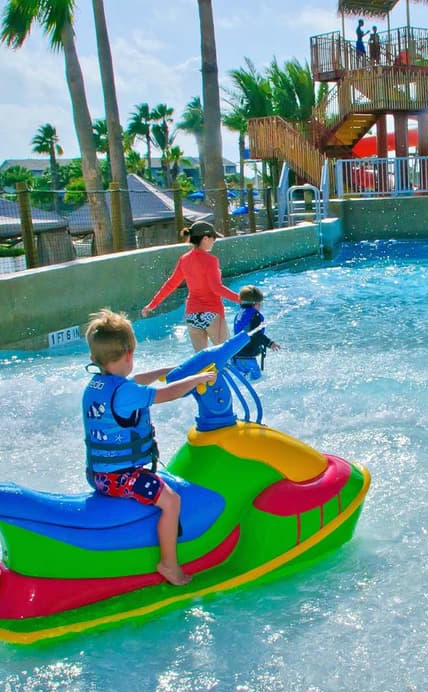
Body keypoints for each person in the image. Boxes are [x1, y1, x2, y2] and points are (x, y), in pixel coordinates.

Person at [82, 308, 217, 586]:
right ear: (130, 353)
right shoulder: (125, 393)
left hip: (98, 474)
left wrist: (166, 371)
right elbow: (167, 393)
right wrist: (199, 379)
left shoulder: (98, 384)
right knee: (171, 501)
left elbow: (134, 382)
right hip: (119, 478)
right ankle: (169, 564)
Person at [141, 220, 240, 352]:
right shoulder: (211, 260)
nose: (213, 242)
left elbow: (171, 284)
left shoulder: (184, 259)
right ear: (205, 238)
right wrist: (241, 299)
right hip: (211, 312)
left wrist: (152, 305)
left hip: (192, 315)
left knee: (201, 363)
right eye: (213, 239)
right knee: (227, 353)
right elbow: (216, 288)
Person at [231, 285, 281, 381]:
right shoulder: (254, 316)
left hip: (236, 355)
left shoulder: (240, 314)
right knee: (256, 380)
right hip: (246, 358)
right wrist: (270, 343)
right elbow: (256, 334)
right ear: (256, 304)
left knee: (243, 381)